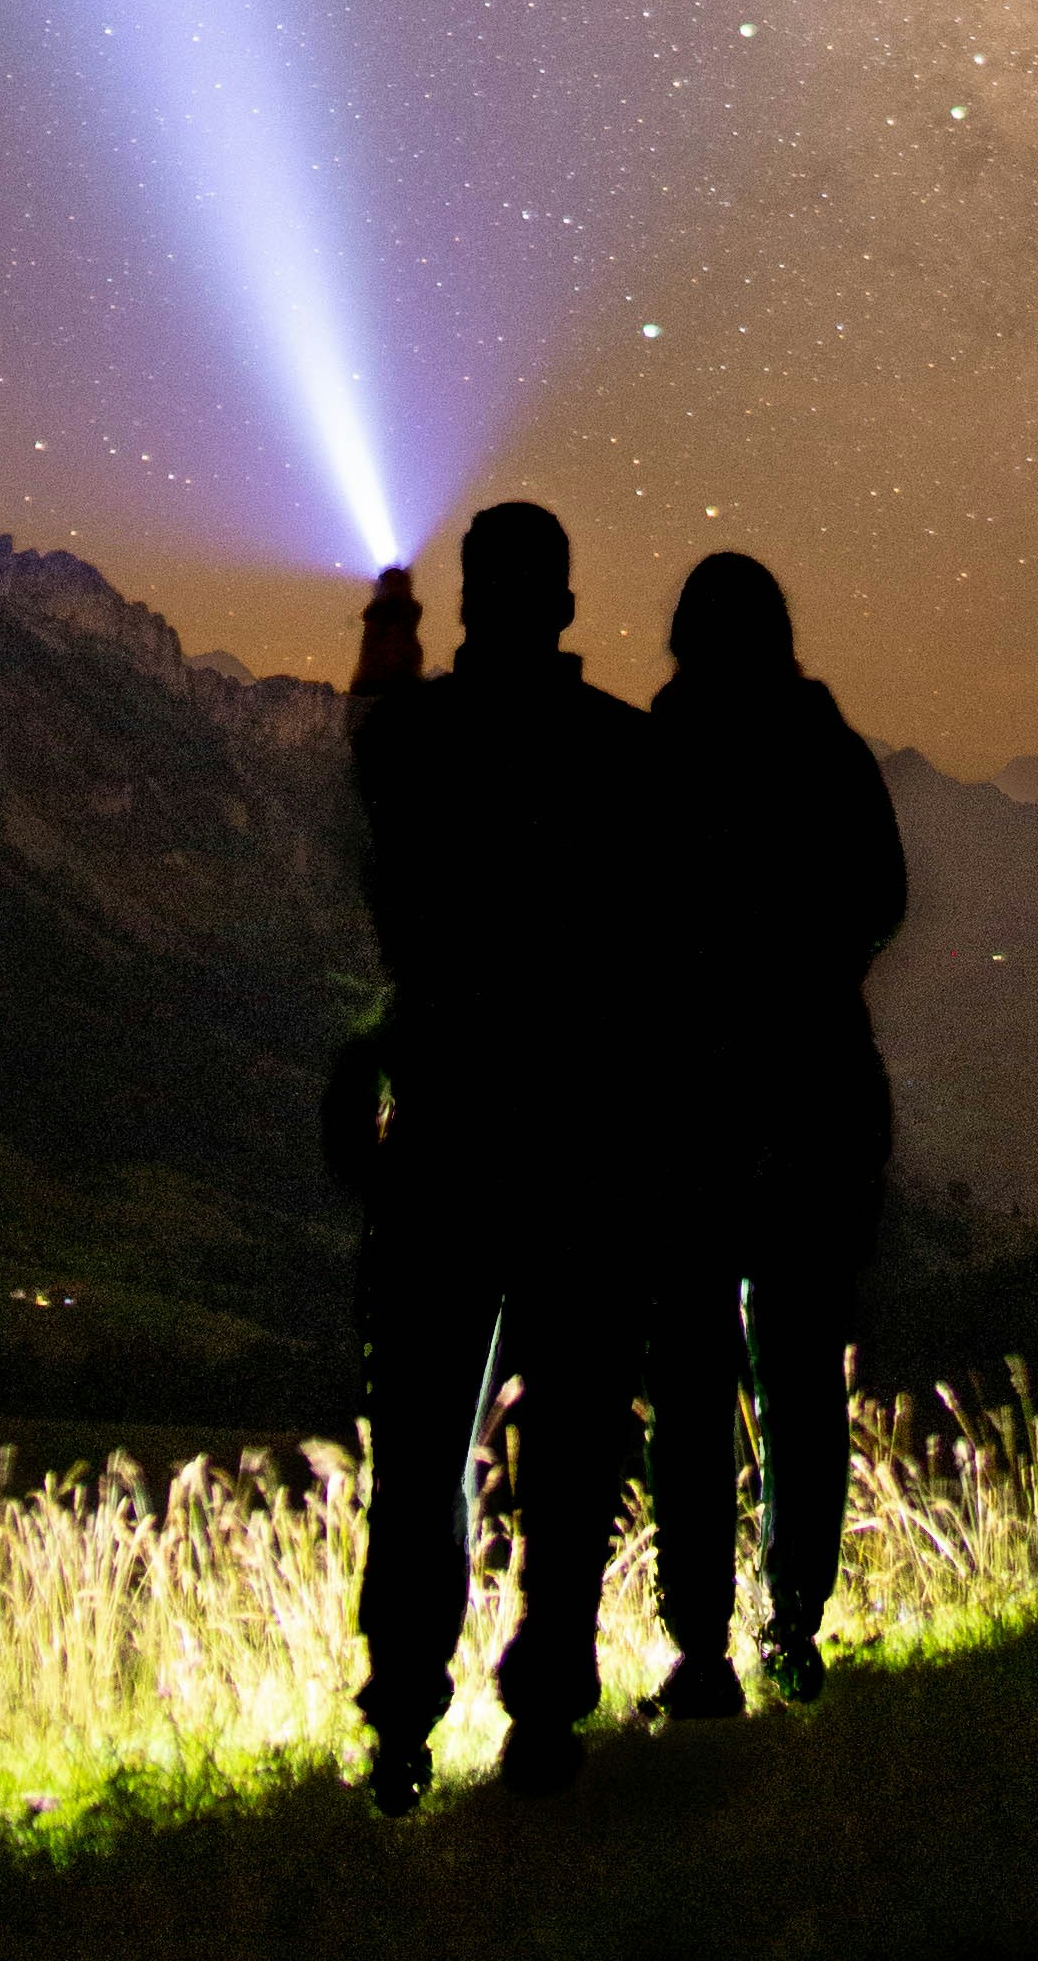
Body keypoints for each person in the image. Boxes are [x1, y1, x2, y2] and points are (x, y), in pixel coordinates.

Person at [339, 500, 662, 1809]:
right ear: (568, 606)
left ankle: (404, 1724)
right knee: (576, 1435)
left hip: (443, 1134)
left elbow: (373, 751)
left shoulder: (412, 739)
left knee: (422, 1439)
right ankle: (544, 1717)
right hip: (585, 1138)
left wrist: (390, 637)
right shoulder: (624, 754)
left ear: (469, 604)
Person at [643, 548, 908, 1714]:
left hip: (687, 1112)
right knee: (799, 1383)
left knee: (693, 1388)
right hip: (816, 1104)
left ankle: (700, 1649)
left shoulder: (655, 759)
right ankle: (791, 1628)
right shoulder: (830, 755)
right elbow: (882, 904)